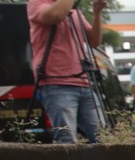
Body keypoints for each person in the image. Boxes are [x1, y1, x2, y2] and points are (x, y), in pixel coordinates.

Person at [27, 0, 108, 143]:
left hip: (84, 82)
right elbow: (56, 15)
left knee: (103, 137)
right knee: (67, 139)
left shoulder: (74, 10)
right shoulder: (37, 3)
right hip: (56, 82)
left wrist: (96, 13)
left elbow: (94, 41)